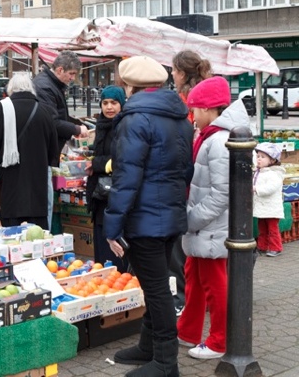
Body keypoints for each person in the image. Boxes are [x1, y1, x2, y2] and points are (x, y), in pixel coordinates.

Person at [104, 56, 193, 377]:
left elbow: (126, 178)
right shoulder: (179, 116)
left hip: (145, 218)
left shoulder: (135, 119)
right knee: (154, 284)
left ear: (129, 86)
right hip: (170, 213)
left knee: (156, 289)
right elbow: (185, 169)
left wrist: (112, 226)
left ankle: (166, 363)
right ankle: (148, 347)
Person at [177, 76, 250, 360]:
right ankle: (188, 331)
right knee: (194, 277)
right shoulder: (210, 137)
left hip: (208, 226)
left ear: (208, 109)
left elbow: (221, 195)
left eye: (194, 109)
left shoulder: (217, 141)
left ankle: (219, 341)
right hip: (202, 226)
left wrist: (192, 220)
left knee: (213, 284)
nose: (192, 116)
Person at [169, 50, 213, 317]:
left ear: (182, 73)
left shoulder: (186, 101)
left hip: (191, 178)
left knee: (182, 244)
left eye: (173, 70)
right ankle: (199, 298)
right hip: (200, 177)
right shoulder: (201, 95)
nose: (171, 75)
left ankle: (184, 299)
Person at [0, 73, 58, 230]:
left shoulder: (2, 109)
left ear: (11, 89)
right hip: (37, 183)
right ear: (31, 89)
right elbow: (53, 148)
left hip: (12, 180)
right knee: (37, 233)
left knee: (12, 231)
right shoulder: (44, 110)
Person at [33, 51, 89, 229]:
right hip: (42, 152)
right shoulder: (45, 87)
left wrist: (75, 123)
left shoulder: (51, 85)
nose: (73, 78)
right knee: (45, 201)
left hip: (46, 150)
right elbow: (53, 122)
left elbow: (58, 115)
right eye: (71, 74)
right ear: (59, 69)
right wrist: (76, 129)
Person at [84, 85, 129, 272]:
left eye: (114, 103)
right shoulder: (101, 125)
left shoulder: (125, 126)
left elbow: (123, 157)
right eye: (105, 103)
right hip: (100, 194)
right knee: (102, 246)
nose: (109, 107)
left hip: (115, 194)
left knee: (114, 247)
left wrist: (97, 164)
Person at [253, 142, 285, 257]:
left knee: (272, 229)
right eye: (258, 156)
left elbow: (271, 188)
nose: (259, 159)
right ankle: (262, 246)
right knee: (262, 228)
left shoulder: (274, 174)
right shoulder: (259, 172)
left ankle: (275, 247)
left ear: (272, 160)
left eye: (263, 157)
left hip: (271, 208)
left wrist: (256, 189)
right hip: (262, 207)